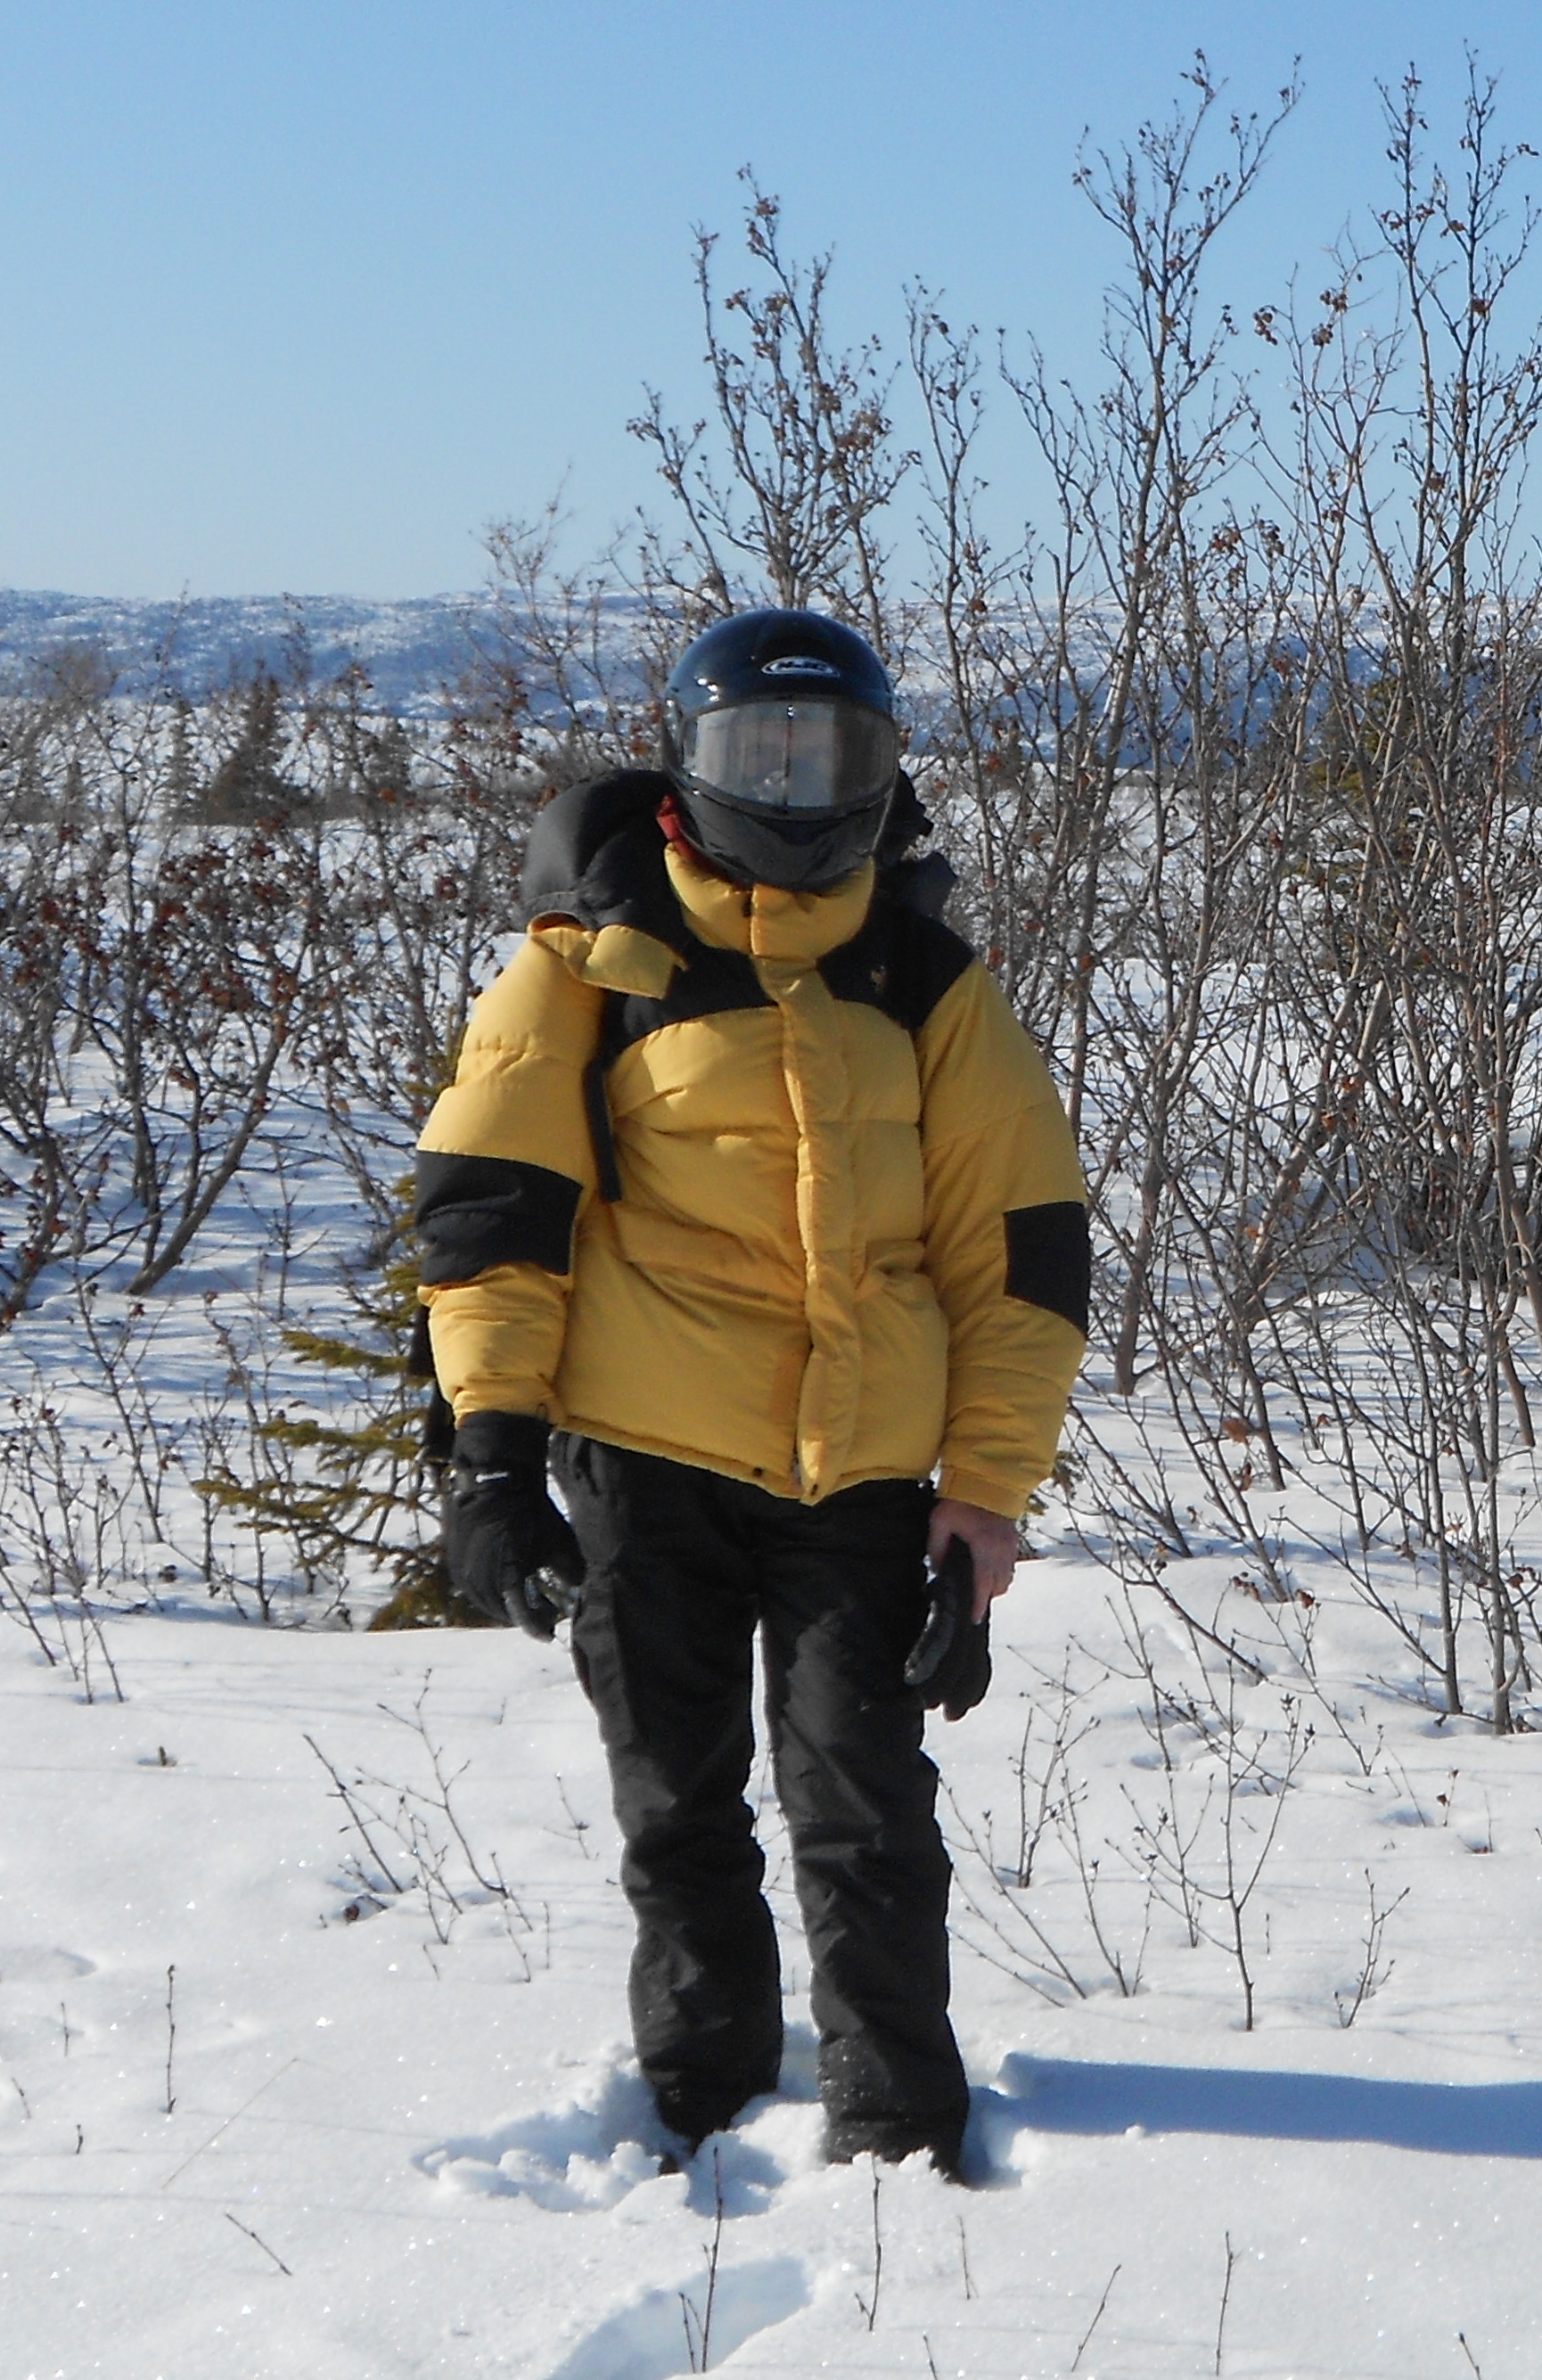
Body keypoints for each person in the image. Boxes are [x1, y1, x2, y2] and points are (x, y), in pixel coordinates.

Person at [415, 606, 1088, 2174]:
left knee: (866, 1807)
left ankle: (901, 2127)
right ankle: (700, 2096)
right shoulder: (590, 964)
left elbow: (1022, 1254)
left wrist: (987, 1496)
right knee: (676, 1800)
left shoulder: (923, 978)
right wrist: (494, 1462)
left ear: (881, 769)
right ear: (686, 764)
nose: (793, 786)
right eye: (757, 750)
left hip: (863, 1473)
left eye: (827, 753)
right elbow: (495, 1220)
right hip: (646, 1461)